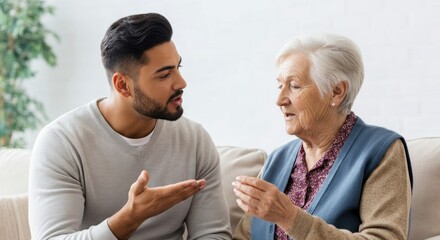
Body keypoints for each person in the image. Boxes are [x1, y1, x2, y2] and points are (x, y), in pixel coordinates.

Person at [28, 13, 232, 240]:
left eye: (178, 67)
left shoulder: (195, 141)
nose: (181, 82)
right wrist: (131, 217)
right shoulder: (62, 143)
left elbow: (213, 235)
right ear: (123, 85)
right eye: (165, 75)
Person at [233, 33, 413, 240]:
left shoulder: (381, 152)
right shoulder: (277, 160)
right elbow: (243, 237)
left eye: (294, 86)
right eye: (279, 85)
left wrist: (290, 218)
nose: (280, 99)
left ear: (336, 92)